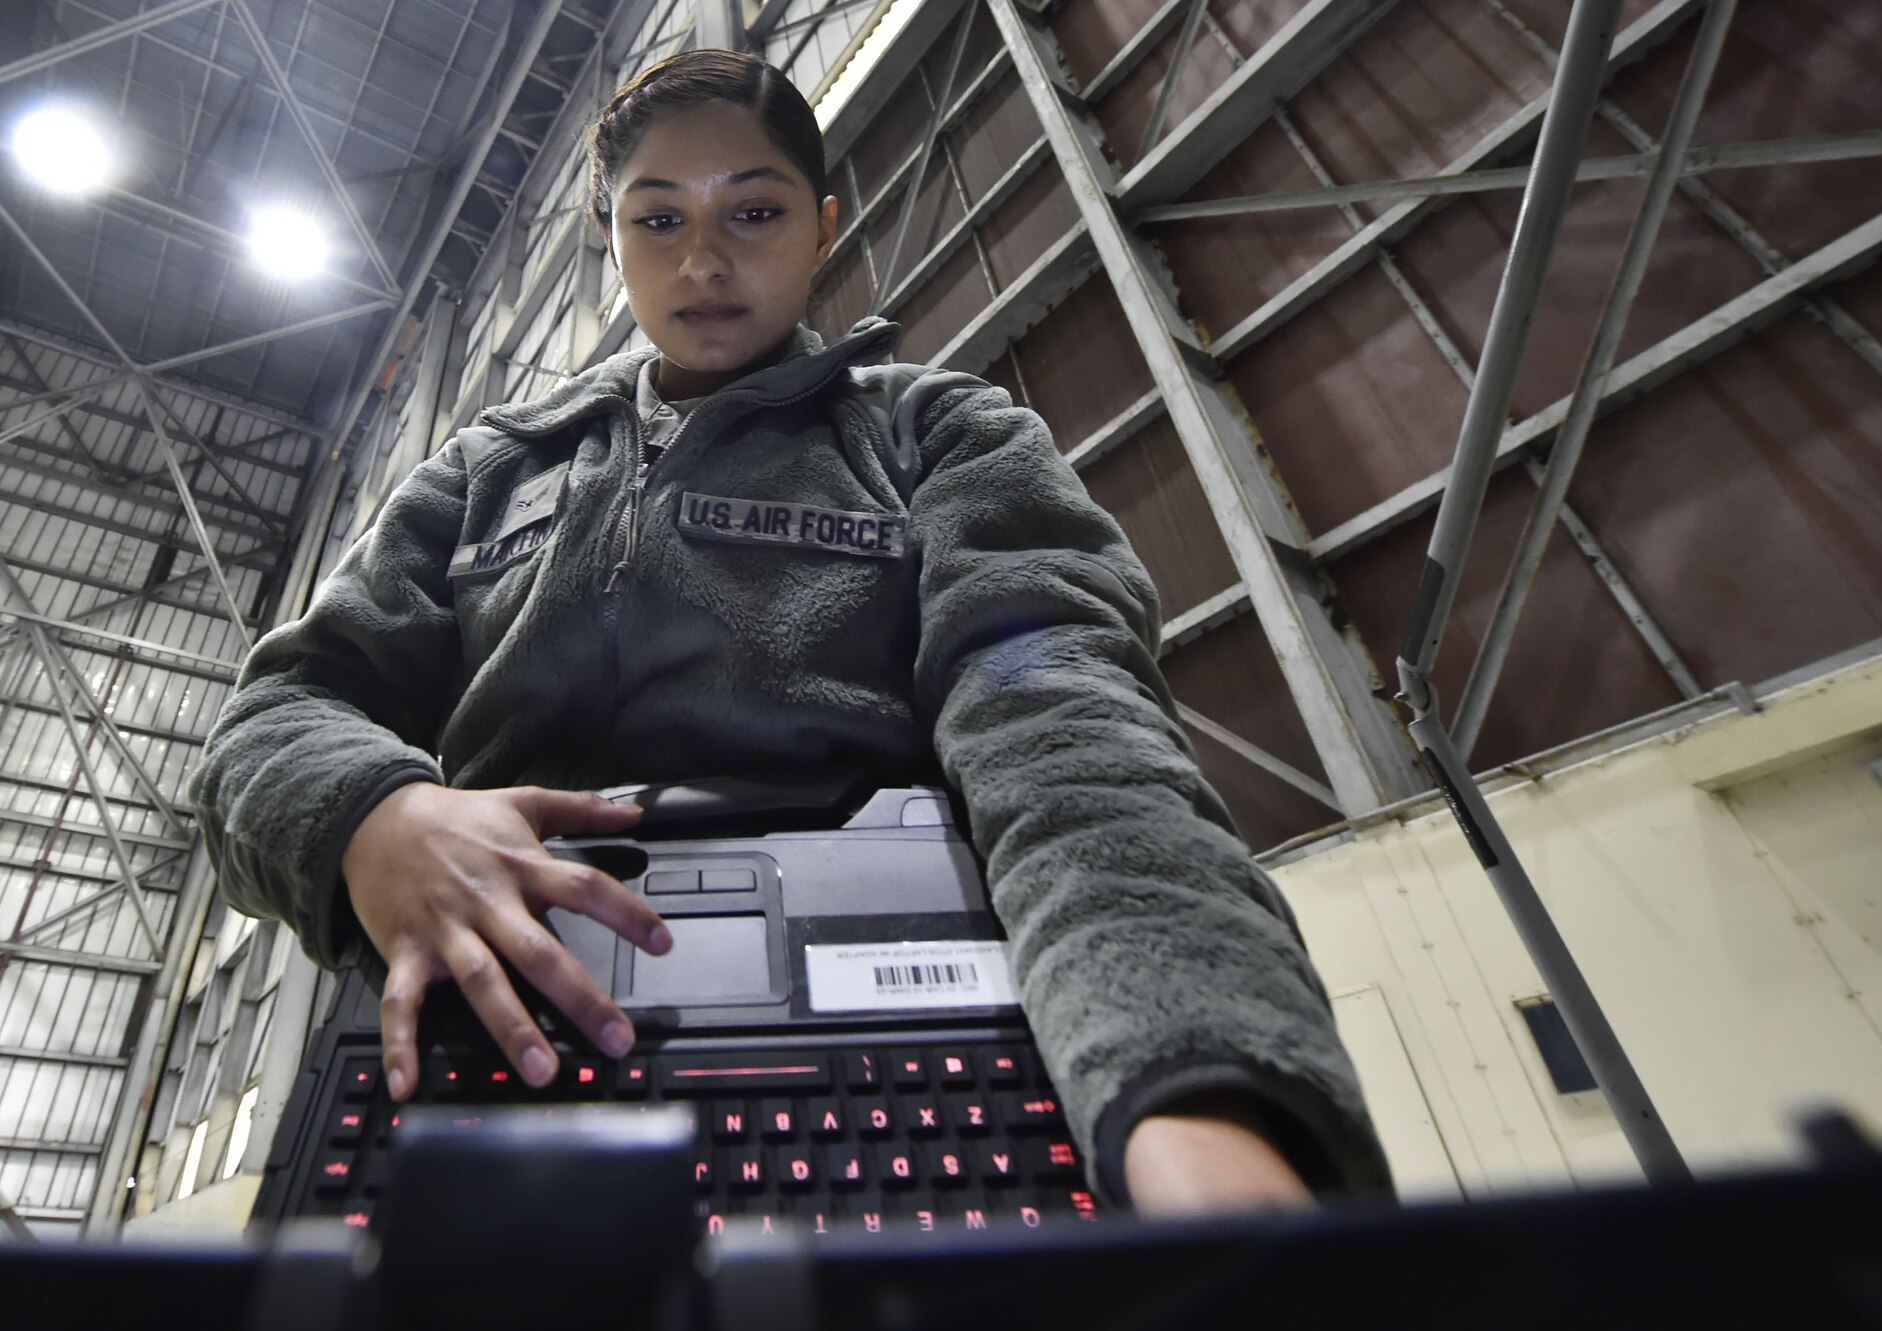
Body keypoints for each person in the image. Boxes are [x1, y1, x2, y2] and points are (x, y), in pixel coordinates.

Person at [191, 49, 1394, 1219]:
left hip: (893, 1018)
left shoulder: (940, 436)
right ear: (607, 240)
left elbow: (1059, 710)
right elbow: (277, 712)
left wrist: (1195, 1077)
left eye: (752, 212)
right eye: (656, 220)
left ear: (823, 228)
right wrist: (369, 812)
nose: (704, 259)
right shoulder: (484, 473)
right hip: (493, 1022)